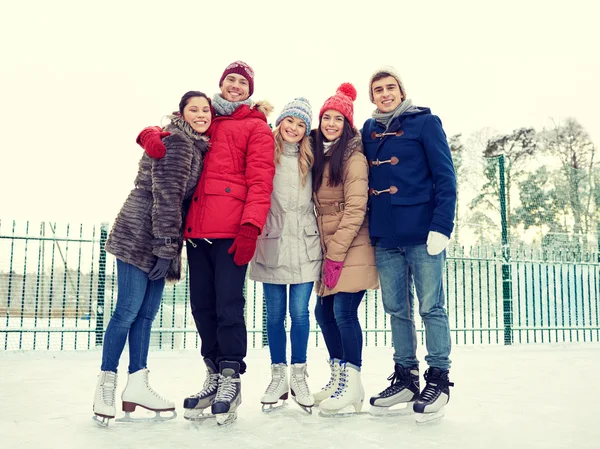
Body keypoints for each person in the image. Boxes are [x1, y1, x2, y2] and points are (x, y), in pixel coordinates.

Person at [136, 61, 275, 425]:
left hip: (231, 229)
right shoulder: (207, 117)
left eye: (242, 82)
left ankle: (231, 377)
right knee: (202, 305)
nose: (235, 86)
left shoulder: (257, 128)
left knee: (229, 304)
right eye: (230, 79)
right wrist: (150, 134)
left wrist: (250, 227)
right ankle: (212, 373)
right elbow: (171, 125)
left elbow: (261, 181)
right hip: (197, 230)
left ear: (249, 89)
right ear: (221, 83)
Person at [93, 91, 212, 426]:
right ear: (182, 113)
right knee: (128, 310)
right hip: (140, 233)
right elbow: (168, 194)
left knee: (145, 316)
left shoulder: (194, 145)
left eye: (206, 110)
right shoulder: (178, 142)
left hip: (161, 236)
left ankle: (137, 385)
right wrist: (164, 245)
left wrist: (167, 245)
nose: (201, 114)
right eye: (194, 109)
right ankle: (106, 384)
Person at [361, 67, 456, 422]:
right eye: (378, 90)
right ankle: (405, 377)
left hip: (422, 233)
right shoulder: (367, 130)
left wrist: (442, 226)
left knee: (432, 307)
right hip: (385, 235)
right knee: (396, 309)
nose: (385, 94)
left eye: (390, 88)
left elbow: (446, 177)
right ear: (372, 97)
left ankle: (439, 379)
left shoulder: (425, 123)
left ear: (401, 91)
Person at [310, 83, 379, 416]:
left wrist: (335, 253)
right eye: (327, 117)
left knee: (343, 313)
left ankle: (352, 381)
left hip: (352, 245)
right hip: (330, 246)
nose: (332, 123)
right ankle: (340, 377)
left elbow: (355, 209)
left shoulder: (353, 157)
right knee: (322, 313)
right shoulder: (318, 153)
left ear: (347, 123)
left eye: (339, 118)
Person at [248, 97, 321, 414]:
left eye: (301, 124)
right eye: (289, 121)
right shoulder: (266, 153)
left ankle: (299, 376)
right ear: (280, 123)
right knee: (275, 317)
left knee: (301, 314)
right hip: (273, 242)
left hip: (306, 245)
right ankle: (278, 376)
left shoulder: (311, 158)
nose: (293, 128)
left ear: (306, 131)